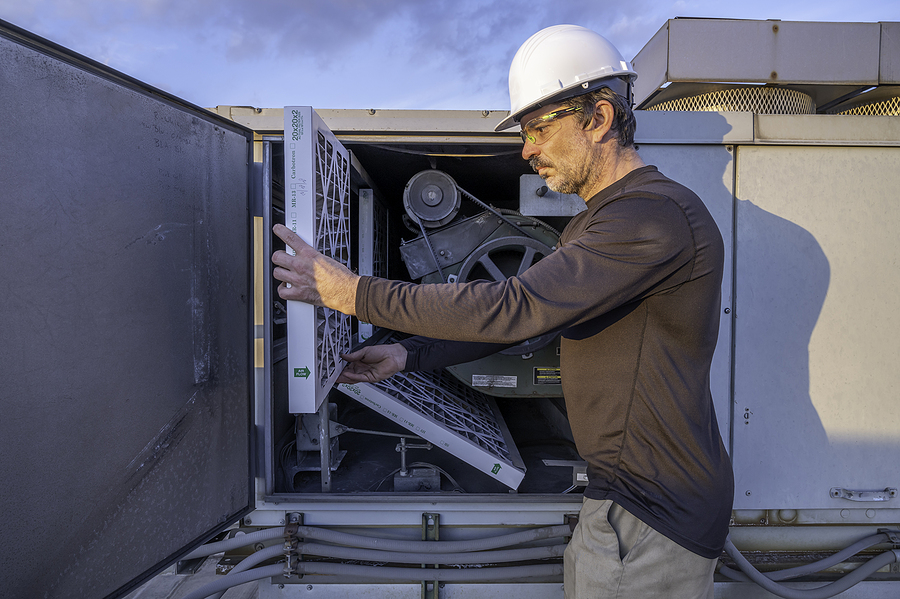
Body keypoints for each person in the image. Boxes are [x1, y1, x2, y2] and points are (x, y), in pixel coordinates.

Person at [272, 24, 734, 599]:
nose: (527, 150)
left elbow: (515, 308)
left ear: (599, 118)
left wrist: (351, 294)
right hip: (628, 505)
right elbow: (532, 325)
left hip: (649, 517)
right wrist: (405, 354)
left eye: (540, 128)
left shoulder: (652, 217)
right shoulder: (610, 219)